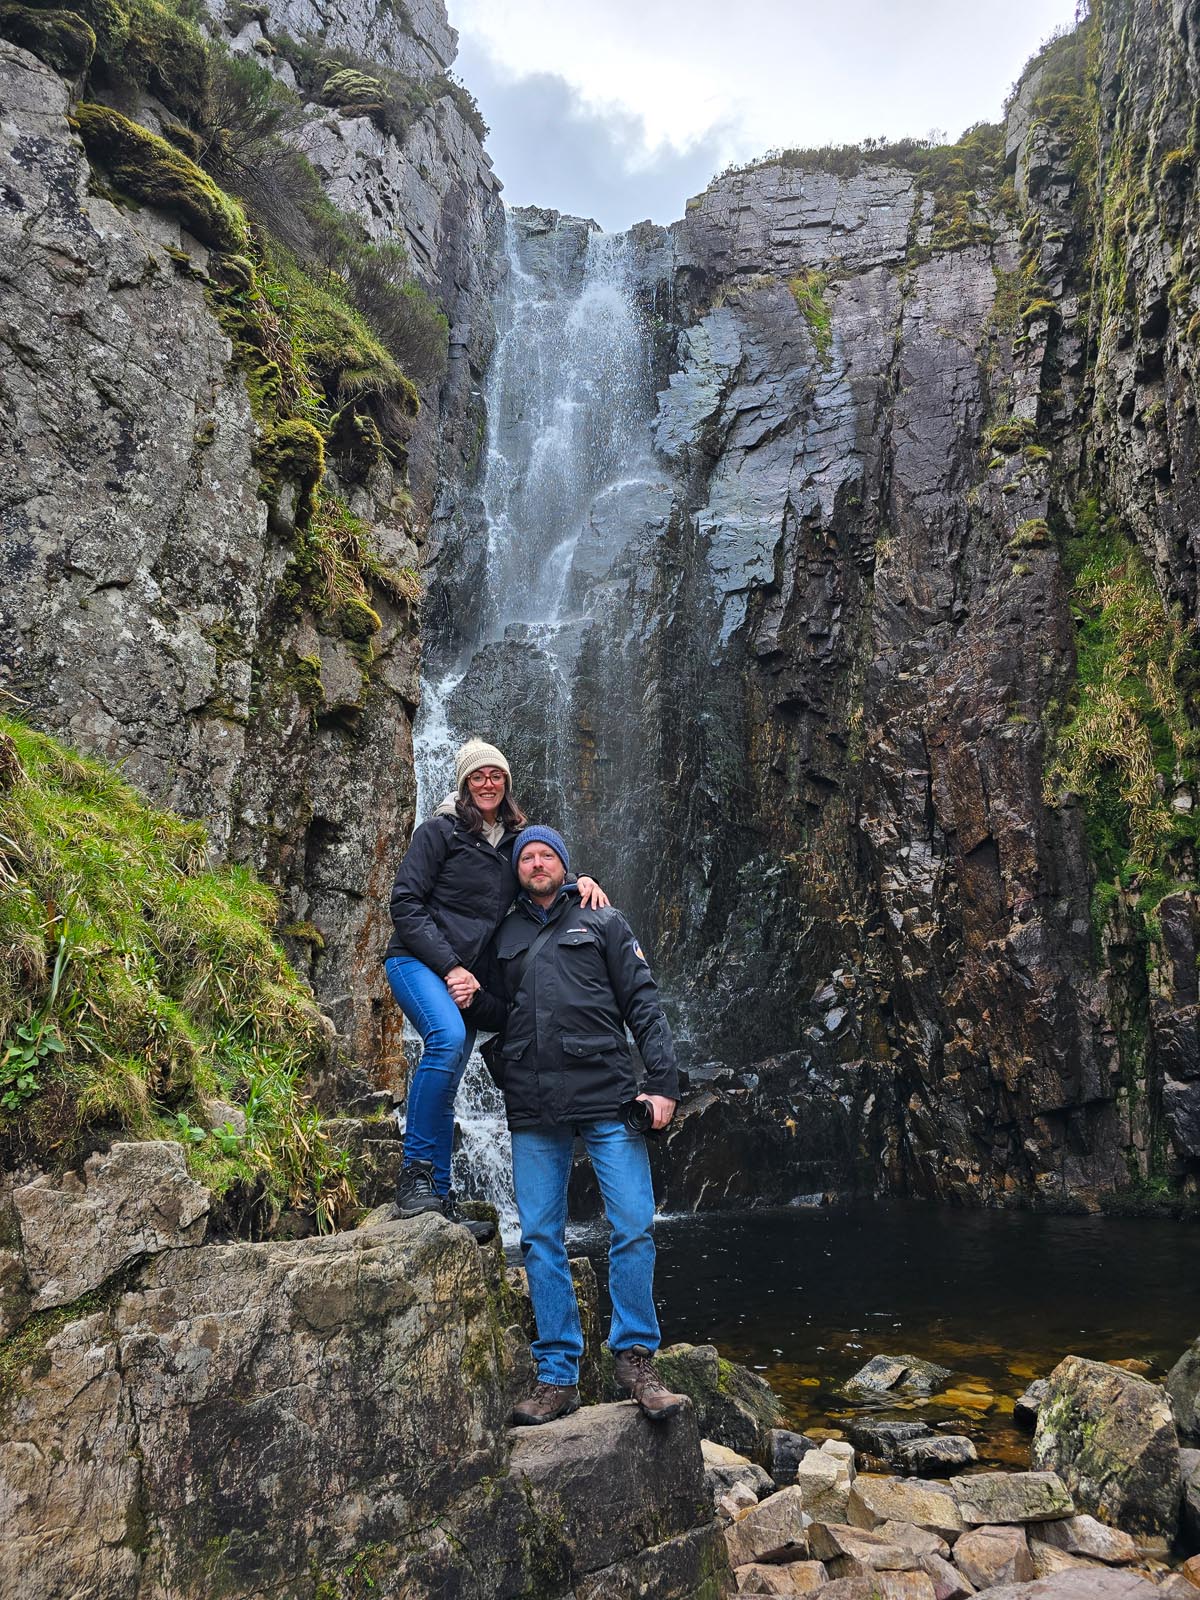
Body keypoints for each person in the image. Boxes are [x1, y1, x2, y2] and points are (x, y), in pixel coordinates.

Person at [464, 824, 687, 1427]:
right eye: (527, 856)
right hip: (534, 1103)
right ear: (516, 868)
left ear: (565, 864)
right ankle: (558, 1375)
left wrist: (663, 1084)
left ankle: (637, 1358)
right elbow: (494, 1010)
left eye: (547, 855)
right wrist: (460, 986)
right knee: (539, 1236)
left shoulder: (604, 920)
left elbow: (642, 1002)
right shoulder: (501, 932)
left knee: (634, 1223)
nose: (537, 863)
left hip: (608, 1094)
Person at [384, 740, 607, 1220]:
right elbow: (404, 903)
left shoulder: (512, 841)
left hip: (463, 980)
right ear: (465, 783)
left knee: (448, 1081)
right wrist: (450, 966)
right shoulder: (439, 832)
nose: (488, 784)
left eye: (496, 775)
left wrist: (580, 882)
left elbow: (541, 873)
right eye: (478, 776)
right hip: (417, 961)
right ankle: (415, 1177)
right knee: (444, 1041)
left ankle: (437, 1200)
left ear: (506, 783)